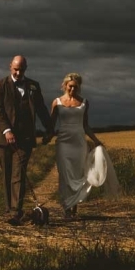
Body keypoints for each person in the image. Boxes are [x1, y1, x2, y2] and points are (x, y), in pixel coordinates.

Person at [0, 55, 53, 225]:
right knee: (7, 174)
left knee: (19, 174)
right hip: (4, 139)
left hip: (25, 138)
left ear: (26, 68)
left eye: (21, 70)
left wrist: (50, 128)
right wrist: (7, 130)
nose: (18, 73)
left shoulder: (33, 86)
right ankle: (8, 209)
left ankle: (15, 212)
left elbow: (41, 109)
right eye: (15, 69)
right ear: (10, 66)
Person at [50, 72, 119, 218]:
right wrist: (45, 137)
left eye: (76, 87)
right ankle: (66, 207)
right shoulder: (56, 102)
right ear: (65, 86)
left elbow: (86, 125)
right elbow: (51, 125)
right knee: (65, 175)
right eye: (70, 87)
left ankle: (73, 205)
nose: (73, 90)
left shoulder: (84, 103)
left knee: (78, 173)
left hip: (79, 143)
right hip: (63, 142)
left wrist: (95, 140)